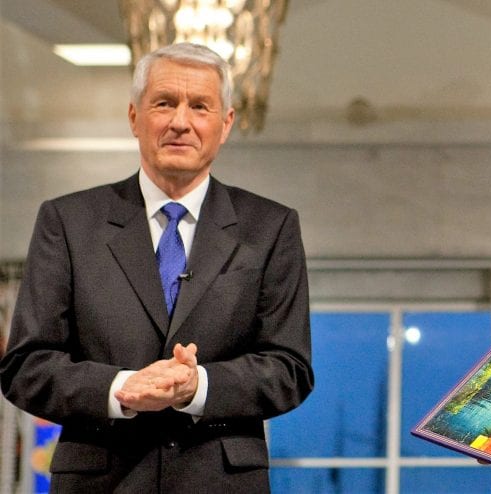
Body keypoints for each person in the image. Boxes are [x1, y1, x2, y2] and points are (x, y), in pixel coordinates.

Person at [0, 43, 313, 493]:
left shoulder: (270, 227)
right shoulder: (67, 221)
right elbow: (25, 367)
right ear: (134, 117)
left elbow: (289, 369)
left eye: (200, 106)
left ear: (225, 124)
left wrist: (196, 385)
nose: (180, 122)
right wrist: (123, 387)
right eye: (164, 103)